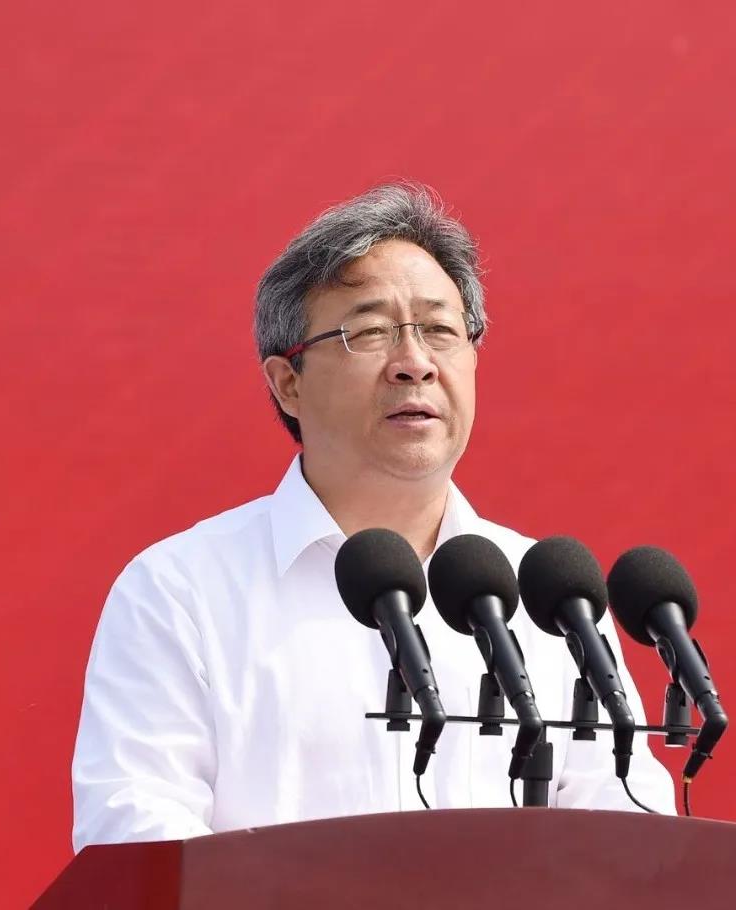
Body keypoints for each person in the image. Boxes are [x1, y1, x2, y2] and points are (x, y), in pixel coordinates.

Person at [72, 183, 676, 851]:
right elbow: (137, 839)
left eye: (440, 331)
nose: (415, 365)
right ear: (288, 383)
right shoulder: (180, 592)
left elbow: (632, 841)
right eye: (368, 332)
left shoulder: (550, 600)